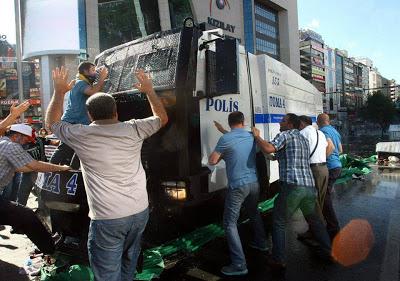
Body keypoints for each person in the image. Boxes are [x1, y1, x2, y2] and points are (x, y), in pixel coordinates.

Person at [46, 66, 168, 281]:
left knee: (107, 274)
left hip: (108, 219)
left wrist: (59, 91)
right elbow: (161, 118)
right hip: (139, 213)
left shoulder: (81, 134)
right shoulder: (134, 129)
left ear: (89, 114)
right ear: (116, 112)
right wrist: (149, 90)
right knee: (129, 263)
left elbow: (51, 123)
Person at [252, 113, 331, 270]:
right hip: (309, 187)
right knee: (315, 221)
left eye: (283, 121)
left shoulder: (285, 135)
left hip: (293, 186)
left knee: (279, 221)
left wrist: (257, 137)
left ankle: (278, 259)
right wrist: (271, 156)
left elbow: (268, 147)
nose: (280, 123)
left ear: (289, 124)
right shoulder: (301, 138)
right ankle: (328, 251)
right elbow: (282, 155)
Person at [209, 112, 268, 276]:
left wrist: (218, 155)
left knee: (229, 223)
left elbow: (213, 160)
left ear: (230, 123)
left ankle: (239, 264)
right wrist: (222, 130)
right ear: (243, 122)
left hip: (238, 186)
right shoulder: (250, 136)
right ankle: (261, 243)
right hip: (254, 183)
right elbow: (238, 141)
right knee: (254, 213)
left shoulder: (225, 140)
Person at [0, 124, 71, 254]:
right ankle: (51, 249)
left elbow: (22, 168)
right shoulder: (12, 146)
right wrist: (61, 168)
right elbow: (35, 165)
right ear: (16, 136)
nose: (27, 143)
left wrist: (40, 168)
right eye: (26, 140)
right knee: (26, 215)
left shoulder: (3, 142)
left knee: (22, 215)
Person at [50, 61, 108, 165]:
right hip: (73, 122)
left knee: (79, 149)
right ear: (85, 71)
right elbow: (93, 92)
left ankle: (73, 170)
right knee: (65, 149)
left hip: (78, 123)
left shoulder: (84, 82)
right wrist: (102, 78)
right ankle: (51, 171)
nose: (95, 73)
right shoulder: (80, 83)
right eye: (93, 70)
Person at [297, 115, 334, 240]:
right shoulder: (319, 133)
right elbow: (331, 146)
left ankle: (320, 236)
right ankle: (314, 231)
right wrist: (321, 159)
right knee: (319, 202)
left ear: (302, 123)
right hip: (323, 169)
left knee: (312, 205)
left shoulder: (302, 133)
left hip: (312, 170)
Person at [317, 113, 342, 240]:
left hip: (330, 166)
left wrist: (321, 159)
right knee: (325, 195)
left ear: (318, 121)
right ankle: (329, 225)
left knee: (325, 197)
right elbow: (340, 150)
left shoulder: (322, 131)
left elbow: (330, 146)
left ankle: (333, 227)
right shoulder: (335, 131)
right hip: (337, 166)